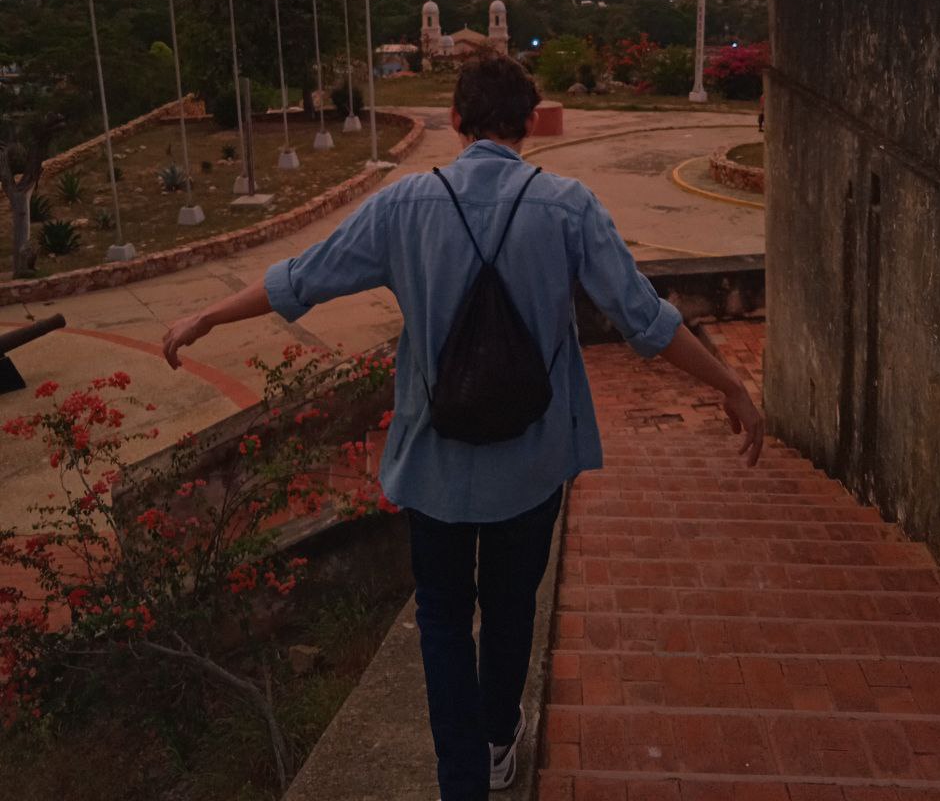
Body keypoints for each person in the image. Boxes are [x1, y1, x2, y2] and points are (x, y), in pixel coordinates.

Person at [162, 54, 764, 801]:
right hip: (531, 459)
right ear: (530, 121)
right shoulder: (569, 205)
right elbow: (646, 321)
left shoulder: (404, 205)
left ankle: (462, 782)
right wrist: (729, 382)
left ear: (455, 119)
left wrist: (207, 315)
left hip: (434, 461)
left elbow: (301, 278)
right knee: (512, 608)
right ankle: (499, 735)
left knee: (443, 620)